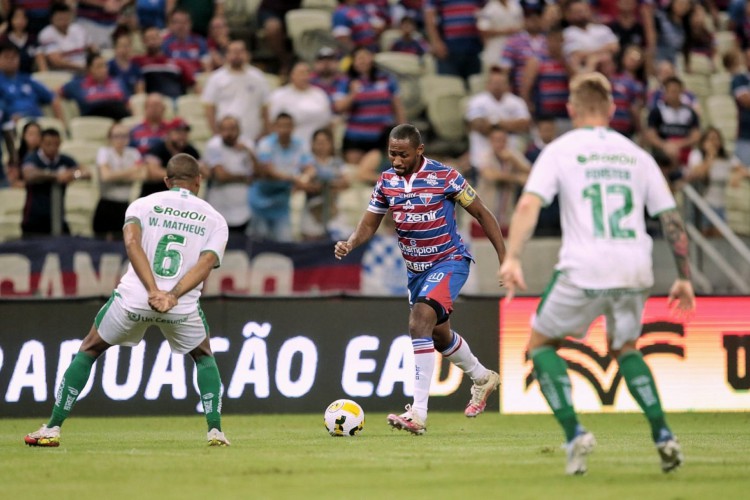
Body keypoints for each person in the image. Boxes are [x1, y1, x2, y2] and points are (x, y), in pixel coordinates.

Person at [499, 72, 696, 475]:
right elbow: (671, 219)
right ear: (611, 110)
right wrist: (684, 276)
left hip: (585, 269)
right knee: (626, 348)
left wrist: (513, 256)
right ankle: (663, 435)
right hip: (635, 267)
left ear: (571, 110)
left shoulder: (560, 149)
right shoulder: (637, 154)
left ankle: (574, 434)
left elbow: (527, 205)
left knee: (539, 345)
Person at [24, 153, 231, 448]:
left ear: (165, 180)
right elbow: (207, 261)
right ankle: (215, 431)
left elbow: (132, 243)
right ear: (199, 180)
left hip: (135, 298)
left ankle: (53, 427)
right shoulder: (215, 218)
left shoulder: (141, 205)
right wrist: (171, 295)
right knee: (204, 356)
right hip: (180, 305)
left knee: (90, 348)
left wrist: (152, 290)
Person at [334, 123, 506, 434]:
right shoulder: (386, 182)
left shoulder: (446, 177)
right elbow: (369, 224)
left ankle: (418, 413)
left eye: (403, 154)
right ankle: (482, 377)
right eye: (392, 154)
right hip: (416, 271)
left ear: (419, 151)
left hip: (450, 261)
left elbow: (482, 214)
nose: (396, 160)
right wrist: (350, 242)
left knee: (419, 321)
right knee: (439, 336)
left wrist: (506, 259)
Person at [248, 112, 315, 242]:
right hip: (260, 200)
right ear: (275, 127)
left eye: (288, 126)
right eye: (281, 126)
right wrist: (295, 179)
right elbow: (268, 171)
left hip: (282, 202)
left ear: (293, 127)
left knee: (284, 241)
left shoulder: (300, 144)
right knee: (259, 243)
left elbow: (310, 168)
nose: (284, 130)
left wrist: (305, 178)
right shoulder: (265, 144)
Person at [21, 128, 88, 237]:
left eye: (56, 144)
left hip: (57, 215)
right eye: (48, 144)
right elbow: (29, 175)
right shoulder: (32, 158)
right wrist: (56, 176)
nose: (52, 148)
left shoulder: (64, 160)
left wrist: (72, 175)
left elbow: (86, 173)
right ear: (41, 143)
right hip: (34, 216)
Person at [202, 40, 269, 146]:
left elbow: (265, 108)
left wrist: (265, 133)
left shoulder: (258, 77)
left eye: (240, 52)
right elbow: (209, 109)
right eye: (233, 52)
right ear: (227, 55)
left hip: (253, 136)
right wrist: (216, 133)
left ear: (247, 54)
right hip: (226, 137)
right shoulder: (216, 78)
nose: (237, 55)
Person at [93, 123, 146, 240]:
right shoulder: (104, 152)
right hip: (106, 203)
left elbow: (142, 174)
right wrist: (131, 171)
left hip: (125, 204)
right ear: (109, 138)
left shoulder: (133, 153)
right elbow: (106, 176)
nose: (120, 140)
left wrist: (115, 175)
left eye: (124, 136)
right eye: (116, 136)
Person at [267, 61, 333, 151]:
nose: (304, 76)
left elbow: (328, 124)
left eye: (307, 73)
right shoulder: (279, 96)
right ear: (292, 75)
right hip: (291, 149)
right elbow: (272, 125)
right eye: (301, 73)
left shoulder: (320, 94)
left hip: (318, 149)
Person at [204, 115, 255, 233]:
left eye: (232, 129)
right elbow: (221, 176)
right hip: (219, 208)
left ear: (239, 130)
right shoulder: (214, 145)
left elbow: (258, 174)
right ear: (219, 131)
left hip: (243, 209)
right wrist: (243, 177)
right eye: (225, 129)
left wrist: (249, 152)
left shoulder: (247, 145)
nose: (229, 133)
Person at [61, 52, 131, 121]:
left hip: (119, 118)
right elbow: (56, 93)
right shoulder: (77, 85)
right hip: (93, 122)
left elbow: (127, 104)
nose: (104, 70)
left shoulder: (117, 82)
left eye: (105, 65)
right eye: (99, 66)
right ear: (89, 69)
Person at [142, 118, 202, 197]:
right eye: (178, 132)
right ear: (168, 133)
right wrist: (184, 176)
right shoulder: (157, 148)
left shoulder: (191, 150)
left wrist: (174, 176)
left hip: (182, 197)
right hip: (154, 195)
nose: (182, 136)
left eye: (185, 132)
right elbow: (153, 172)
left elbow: (203, 171)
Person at [38, 3, 91, 73]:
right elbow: (56, 61)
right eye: (60, 19)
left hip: (84, 70)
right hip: (63, 74)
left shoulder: (78, 29)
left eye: (66, 18)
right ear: (52, 19)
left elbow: (91, 48)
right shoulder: (47, 34)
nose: (63, 22)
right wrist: (82, 67)